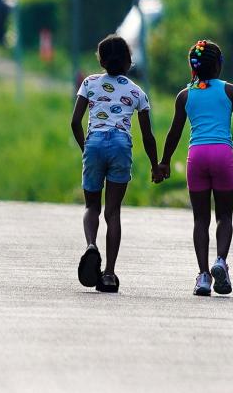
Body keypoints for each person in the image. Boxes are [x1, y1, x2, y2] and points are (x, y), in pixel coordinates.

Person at [159, 39, 233, 297]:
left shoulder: (185, 95)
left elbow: (174, 132)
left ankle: (202, 276)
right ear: (219, 65)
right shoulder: (229, 91)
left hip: (196, 156)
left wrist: (164, 162)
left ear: (193, 66)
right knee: (224, 216)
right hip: (222, 155)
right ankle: (220, 261)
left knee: (201, 219)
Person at [69, 35, 161, 293]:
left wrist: (86, 148)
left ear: (100, 59)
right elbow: (148, 137)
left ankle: (91, 245)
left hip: (95, 142)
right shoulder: (137, 92)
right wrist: (155, 165)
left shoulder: (89, 83)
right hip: (121, 145)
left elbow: (75, 122)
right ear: (129, 60)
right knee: (113, 212)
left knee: (91, 207)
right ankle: (109, 274)